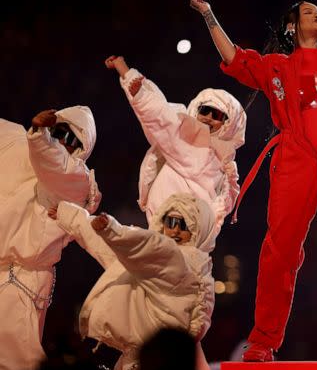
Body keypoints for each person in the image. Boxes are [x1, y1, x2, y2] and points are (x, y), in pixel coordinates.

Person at [189, 0, 317, 362]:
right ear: (290, 25)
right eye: (309, 11)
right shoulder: (276, 67)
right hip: (294, 158)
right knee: (279, 252)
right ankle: (263, 342)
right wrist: (208, 15)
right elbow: (234, 59)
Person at [53, 193, 215, 370]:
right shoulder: (152, 264)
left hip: (157, 365)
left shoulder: (179, 262)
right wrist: (70, 216)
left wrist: (111, 230)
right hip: (147, 360)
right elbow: (110, 247)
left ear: (199, 229)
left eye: (184, 225)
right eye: (170, 222)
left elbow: (145, 246)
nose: (175, 230)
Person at [0, 107, 100, 370]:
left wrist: (42, 136)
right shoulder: (18, 141)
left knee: (16, 365)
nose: (63, 142)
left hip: (18, 280)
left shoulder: (75, 179)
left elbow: (54, 160)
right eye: (60, 132)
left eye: (72, 140)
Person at [105, 55, 246, 237]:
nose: (209, 117)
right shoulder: (187, 136)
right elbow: (160, 116)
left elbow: (224, 203)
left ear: (229, 124)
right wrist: (127, 74)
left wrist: (209, 228)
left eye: (217, 115)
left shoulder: (226, 162)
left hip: (187, 229)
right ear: (196, 110)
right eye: (205, 110)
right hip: (170, 223)